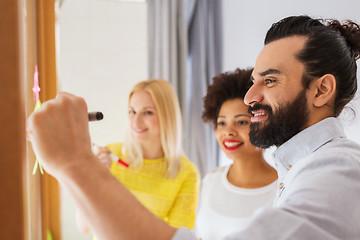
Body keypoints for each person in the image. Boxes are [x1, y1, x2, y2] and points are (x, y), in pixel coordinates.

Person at [26, 15, 360, 240]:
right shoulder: (294, 170)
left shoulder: (339, 173)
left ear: (321, 90)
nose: (249, 97)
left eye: (269, 80)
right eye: (253, 81)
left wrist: (75, 164)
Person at [77, 79, 200, 238]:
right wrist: (94, 177)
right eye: (132, 111)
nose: (136, 121)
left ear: (167, 116)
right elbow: (84, 226)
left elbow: (175, 237)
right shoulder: (109, 155)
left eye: (148, 112)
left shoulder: (186, 173)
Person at [195, 68, 277, 239]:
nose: (228, 132)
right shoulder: (211, 180)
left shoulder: (282, 189)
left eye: (241, 122)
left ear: (263, 124)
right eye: (222, 123)